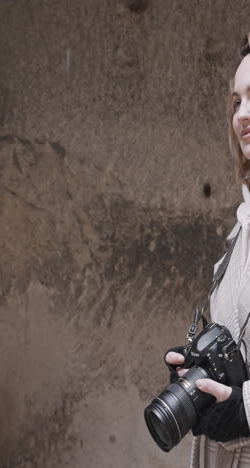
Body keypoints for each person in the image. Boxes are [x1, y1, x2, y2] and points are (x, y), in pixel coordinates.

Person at [165, 34, 250, 468]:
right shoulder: (242, 227)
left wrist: (245, 406)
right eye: (236, 102)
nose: (243, 115)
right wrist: (199, 372)